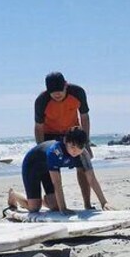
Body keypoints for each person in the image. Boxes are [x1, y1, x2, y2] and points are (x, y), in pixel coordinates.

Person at [8, 127, 112, 214]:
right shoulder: (56, 152)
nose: (75, 151)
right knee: (34, 208)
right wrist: (63, 209)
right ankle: (13, 194)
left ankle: (45, 199)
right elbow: (57, 183)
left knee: (54, 207)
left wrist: (104, 202)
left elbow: (92, 179)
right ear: (65, 141)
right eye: (72, 147)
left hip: (48, 169)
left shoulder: (83, 154)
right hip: (33, 165)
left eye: (80, 147)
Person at [34, 72, 94, 208]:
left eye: (59, 91)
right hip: (50, 135)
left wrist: (86, 142)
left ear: (65, 85)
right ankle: (49, 200)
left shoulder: (78, 92)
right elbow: (38, 127)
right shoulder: (41, 100)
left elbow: (84, 117)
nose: (57, 95)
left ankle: (87, 204)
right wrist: (41, 149)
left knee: (82, 165)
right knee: (53, 206)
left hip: (72, 133)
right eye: (53, 93)